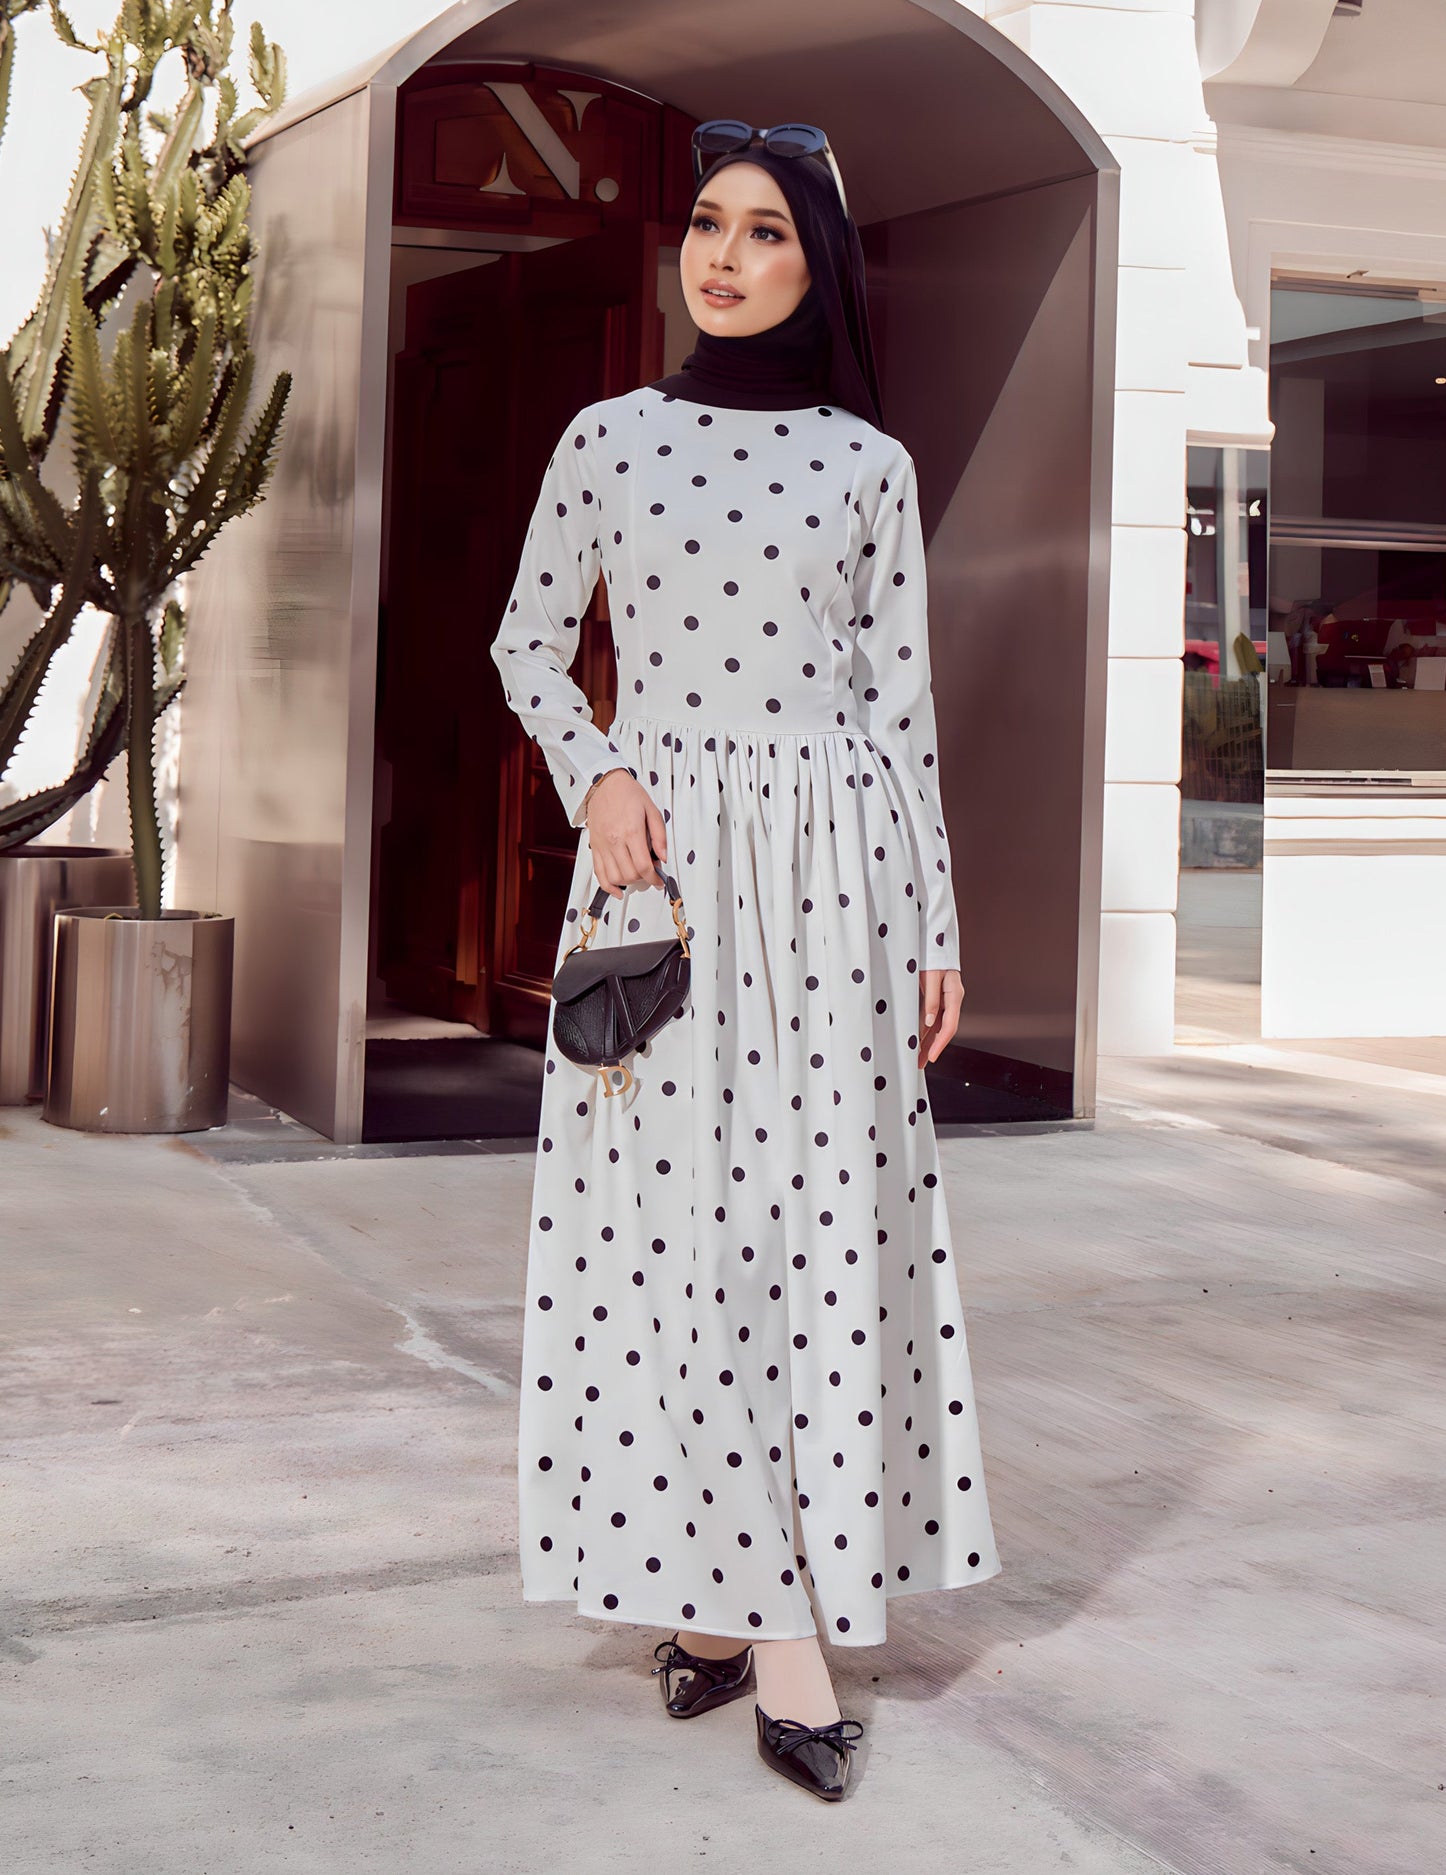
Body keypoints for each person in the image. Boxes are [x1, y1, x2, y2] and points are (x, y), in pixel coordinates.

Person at [490, 119, 1001, 1803]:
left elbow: (900, 713)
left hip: (836, 879)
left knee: (803, 1241)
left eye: (765, 230)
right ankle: (757, 1623)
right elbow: (527, 641)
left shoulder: (867, 466)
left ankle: (743, 1619)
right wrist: (599, 774)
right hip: (663, 880)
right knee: (674, 1247)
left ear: (817, 264)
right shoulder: (608, 439)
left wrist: (933, 921)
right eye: (707, 223)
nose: (720, 255)